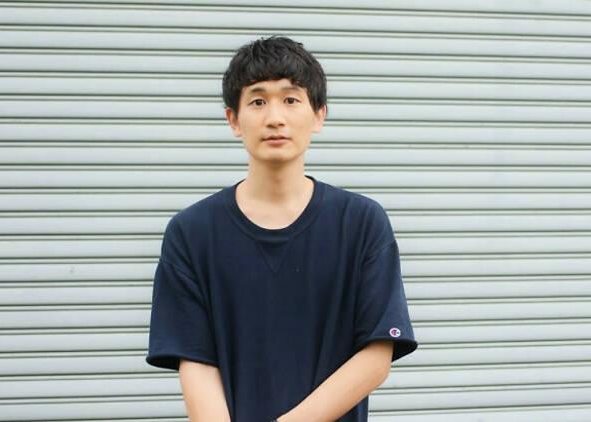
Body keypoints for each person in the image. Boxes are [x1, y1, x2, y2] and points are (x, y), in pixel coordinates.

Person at [146, 35, 417, 422]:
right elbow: (196, 362)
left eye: (291, 99)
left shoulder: (361, 223)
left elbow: (376, 356)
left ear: (319, 114)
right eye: (257, 101)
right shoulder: (191, 234)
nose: (275, 117)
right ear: (233, 120)